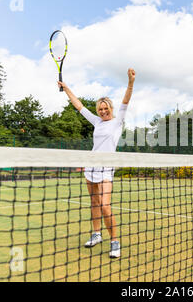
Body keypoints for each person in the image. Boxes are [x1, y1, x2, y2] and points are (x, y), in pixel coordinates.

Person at [58, 68, 135, 258]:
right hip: (91, 167)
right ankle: (96, 234)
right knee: (94, 203)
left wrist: (130, 82)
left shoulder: (118, 122)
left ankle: (115, 241)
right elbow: (78, 106)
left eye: (105, 108)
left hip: (106, 168)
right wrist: (66, 88)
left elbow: (126, 100)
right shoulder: (97, 122)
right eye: (100, 109)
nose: (102, 111)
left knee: (105, 206)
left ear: (110, 108)